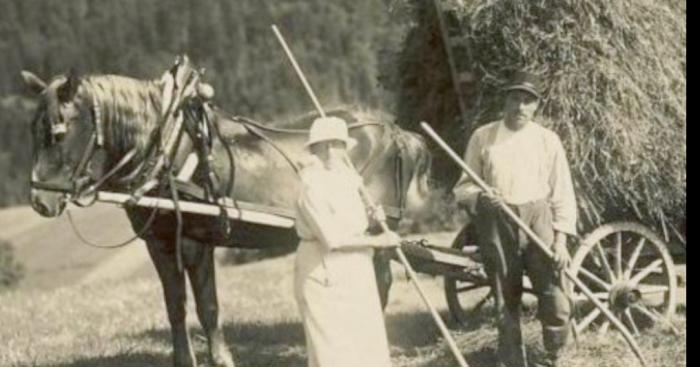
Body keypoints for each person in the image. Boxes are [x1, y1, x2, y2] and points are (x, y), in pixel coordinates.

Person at [453, 71, 577, 367]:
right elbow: (463, 187)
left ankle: (554, 356)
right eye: (515, 99)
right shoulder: (483, 137)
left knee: (554, 293)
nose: (520, 107)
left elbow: (562, 191)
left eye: (527, 101)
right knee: (505, 296)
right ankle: (511, 361)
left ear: (536, 107)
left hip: (538, 218)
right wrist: (482, 197)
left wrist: (560, 240)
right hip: (498, 220)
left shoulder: (548, 140)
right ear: (504, 101)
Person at [294, 116, 399, 367]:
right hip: (324, 273)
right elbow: (334, 239)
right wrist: (381, 240)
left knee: (366, 346)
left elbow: (353, 224)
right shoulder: (311, 186)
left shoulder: (347, 180)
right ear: (315, 149)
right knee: (333, 352)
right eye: (324, 145)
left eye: (337, 144)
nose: (331, 151)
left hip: (356, 269)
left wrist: (373, 218)